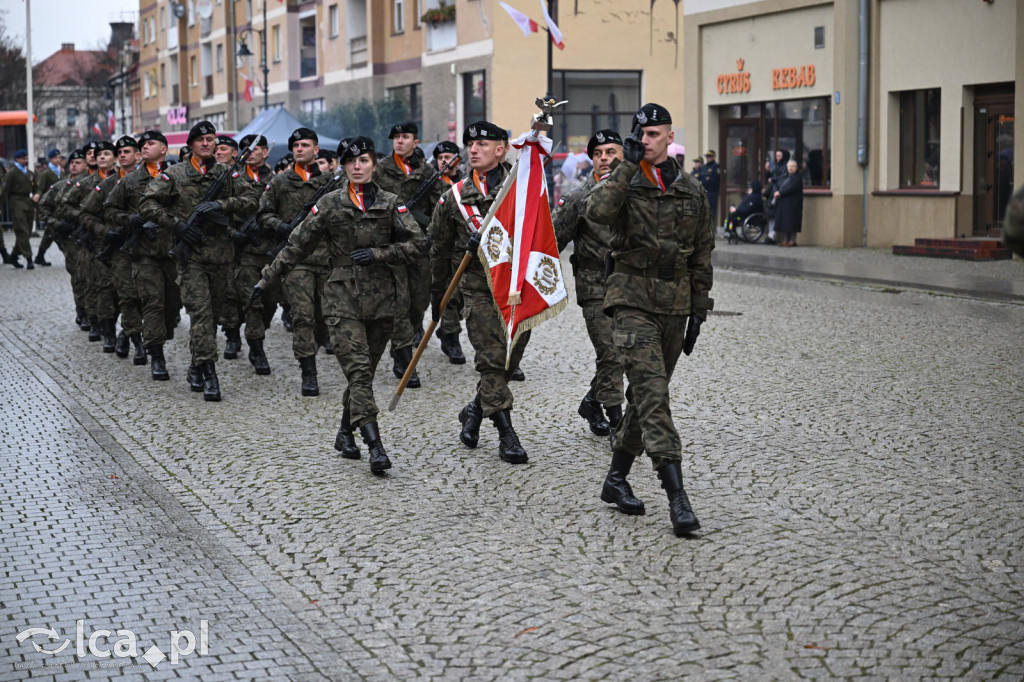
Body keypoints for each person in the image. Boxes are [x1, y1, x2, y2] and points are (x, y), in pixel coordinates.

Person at [252, 136, 426, 473]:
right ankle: (375, 446)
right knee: (359, 373)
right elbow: (296, 245)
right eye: (350, 162)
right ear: (343, 167)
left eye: (363, 161)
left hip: (382, 301)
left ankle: (345, 431)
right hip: (341, 299)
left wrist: (381, 253)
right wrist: (266, 280)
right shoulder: (330, 204)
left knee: (365, 373)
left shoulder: (391, 203)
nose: (357, 167)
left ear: (374, 164)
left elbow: (418, 243)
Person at [584, 103, 715, 537]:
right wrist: (624, 167)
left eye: (656, 135)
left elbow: (701, 253)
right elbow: (596, 213)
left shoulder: (692, 190)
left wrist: (699, 307)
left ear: (670, 136)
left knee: (643, 399)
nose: (648, 141)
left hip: (675, 304)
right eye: (642, 134)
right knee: (655, 395)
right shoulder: (623, 181)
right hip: (630, 298)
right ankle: (677, 496)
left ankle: (616, 478)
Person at [429, 120, 531, 464]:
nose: (473, 149)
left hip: (516, 288)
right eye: (469, 144)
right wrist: (437, 294)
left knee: (508, 360)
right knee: (491, 360)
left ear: (501, 149)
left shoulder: (522, 188)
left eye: (482, 144)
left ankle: (474, 411)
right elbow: (439, 250)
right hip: (477, 289)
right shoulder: (454, 198)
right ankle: (507, 436)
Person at [140, 120, 259, 401]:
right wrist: (176, 225)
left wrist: (222, 205)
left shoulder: (227, 174)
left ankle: (196, 363)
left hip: (222, 257)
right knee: (201, 314)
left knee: (213, 317)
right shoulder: (175, 175)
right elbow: (147, 204)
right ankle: (209, 374)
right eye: (200, 139)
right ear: (190, 145)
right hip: (191, 258)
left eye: (210, 139)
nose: (206, 143)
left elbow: (254, 199)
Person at [552, 128, 625, 438]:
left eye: (611, 152)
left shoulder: (638, 192)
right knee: (611, 352)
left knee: (624, 352)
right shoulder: (578, 197)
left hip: (632, 285)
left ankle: (592, 402)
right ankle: (618, 419)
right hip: (595, 284)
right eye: (598, 154)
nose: (604, 158)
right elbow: (552, 240)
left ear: (623, 155)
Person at [256, 127, 332, 394]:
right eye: (296, 146)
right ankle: (308, 372)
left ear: (316, 149)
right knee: (303, 317)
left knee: (325, 319)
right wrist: (281, 227)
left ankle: (316, 347)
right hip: (297, 260)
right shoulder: (280, 182)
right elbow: (263, 214)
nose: (300, 149)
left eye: (305, 145)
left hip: (326, 260)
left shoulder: (330, 182)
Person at [104, 130, 180, 381]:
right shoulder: (129, 180)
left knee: (172, 305)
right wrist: (131, 220)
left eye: (150, 143)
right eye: (142, 145)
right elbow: (110, 209)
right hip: (144, 253)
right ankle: (156, 357)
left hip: (173, 253)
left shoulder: (177, 175)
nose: (145, 147)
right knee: (152, 303)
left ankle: (156, 336)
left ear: (164, 148)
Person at [375, 121, 434, 389]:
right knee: (399, 302)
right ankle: (403, 358)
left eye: (405, 137)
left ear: (416, 142)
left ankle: (408, 338)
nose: (399, 141)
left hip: (419, 247)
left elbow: (438, 205)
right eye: (396, 137)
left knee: (418, 302)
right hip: (393, 247)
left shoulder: (427, 170)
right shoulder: (380, 169)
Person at [80, 135, 145, 359]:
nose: (123, 156)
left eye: (128, 151)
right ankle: (118, 335)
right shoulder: (108, 184)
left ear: (138, 155)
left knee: (142, 296)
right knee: (112, 293)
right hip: (114, 248)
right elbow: (86, 214)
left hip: (145, 248)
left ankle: (126, 334)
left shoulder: (151, 180)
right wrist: (105, 232)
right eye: (120, 153)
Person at [221, 134, 273, 363]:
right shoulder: (231, 178)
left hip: (271, 250)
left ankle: (257, 333)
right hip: (240, 250)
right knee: (246, 298)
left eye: (255, 148)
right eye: (245, 149)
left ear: (266, 152)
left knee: (270, 301)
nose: (250, 152)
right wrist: (234, 234)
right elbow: (219, 215)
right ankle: (254, 345)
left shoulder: (277, 180)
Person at [430, 140, 466, 364]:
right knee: (442, 294)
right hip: (436, 245)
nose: (445, 160)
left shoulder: (467, 183)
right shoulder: (429, 183)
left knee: (459, 296)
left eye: (449, 156)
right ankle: (451, 337)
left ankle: (449, 332)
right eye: (441, 157)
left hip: (462, 246)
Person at [0, 149, 37, 269]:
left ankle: (14, 256)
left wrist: (37, 195)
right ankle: (29, 258)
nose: (26, 160)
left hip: (28, 203)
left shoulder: (30, 173)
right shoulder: (11, 173)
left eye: (26, 158)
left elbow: (36, 187)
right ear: (17, 159)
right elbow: (3, 191)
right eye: (23, 158)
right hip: (16, 203)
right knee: (22, 231)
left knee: (27, 232)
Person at [33, 148, 64, 266]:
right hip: (50, 206)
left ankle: (39, 256)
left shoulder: (61, 172)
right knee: (53, 231)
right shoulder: (46, 173)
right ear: (51, 159)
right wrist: (38, 196)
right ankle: (68, 254)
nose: (58, 160)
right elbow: (40, 188)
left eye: (59, 158)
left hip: (60, 206)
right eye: (56, 158)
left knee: (50, 232)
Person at [773, 159, 803, 247]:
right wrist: (776, 191)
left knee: (792, 222)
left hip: (793, 203)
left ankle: (792, 240)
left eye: (793, 166)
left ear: (796, 168)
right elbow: (777, 184)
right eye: (789, 166)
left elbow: (791, 188)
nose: (791, 168)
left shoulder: (797, 178)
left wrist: (780, 193)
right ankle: (786, 240)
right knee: (784, 222)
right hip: (783, 202)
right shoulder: (784, 176)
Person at [763, 149, 790, 244]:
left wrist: (772, 179)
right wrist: (767, 171)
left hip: (777, 193)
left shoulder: (785, 167)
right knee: (770, 215)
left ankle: (772, 235)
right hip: (772, 192)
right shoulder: (776, 166)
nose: (777, 158)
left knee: (775, 215)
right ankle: (771, 234)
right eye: (776, 156)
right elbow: (770, 177)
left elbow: (783, 178)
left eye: (779, 156)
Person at [694, 149, 720, 225]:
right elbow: (699, 176)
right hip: (702, 191)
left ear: (713, 157)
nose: (708, 158)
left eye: (709, 156)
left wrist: (703, 183)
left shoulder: (716, 167)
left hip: (711, 192)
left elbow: (715, 180)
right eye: (707, 156)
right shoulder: (704, 167)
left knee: (710, 211)